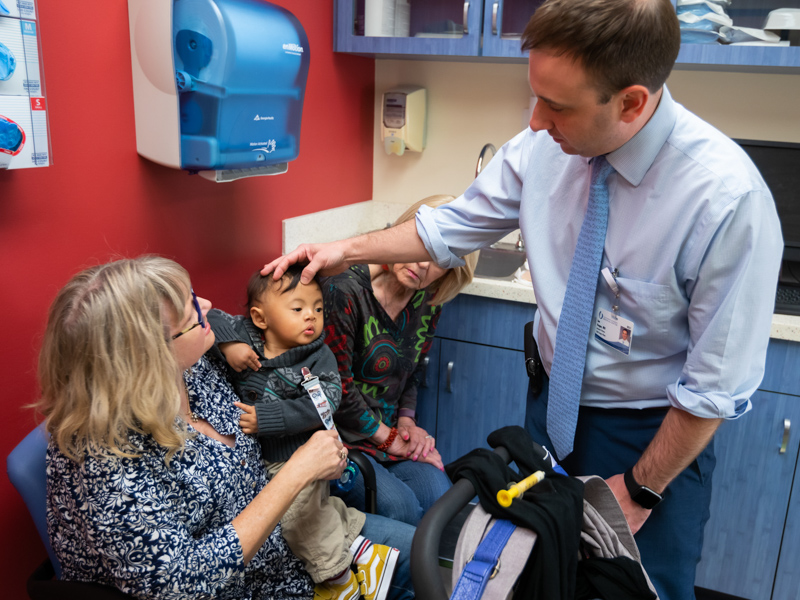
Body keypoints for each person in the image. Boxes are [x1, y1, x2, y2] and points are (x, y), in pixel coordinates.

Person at [262, 1, 784, 598]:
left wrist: (641, 488)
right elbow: (449, 226)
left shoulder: (724, 200)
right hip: (551, 411)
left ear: (632, 102)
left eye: (556, 105)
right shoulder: (544, 148)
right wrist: (345, 250)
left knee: (634, 586)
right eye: (534, 95)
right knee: (542, 573)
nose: (536, 121)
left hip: (647, 435)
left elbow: (713, 389)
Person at [36, 256, 415, 600]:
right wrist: (298, 472)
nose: (207, 307)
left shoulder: (198, 368)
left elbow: (248, 336)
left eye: (194, 296)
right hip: (253, 585)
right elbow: (181, 584)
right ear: (147, 361)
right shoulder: (103, 462)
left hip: (294, 541)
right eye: (192, 316)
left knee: (422, 554)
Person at [206, 265, 398, 600]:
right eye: (298, 309)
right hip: (257, 464)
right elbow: (211, 318)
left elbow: (326, 400)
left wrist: (268, 418)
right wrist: (229, 346)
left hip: (296, 458)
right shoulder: (249, 335)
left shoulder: (318, 355)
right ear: (260, 317)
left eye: (318, 308)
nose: (312, 317)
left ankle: (339, 582)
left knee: (297, 520)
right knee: (315, 513)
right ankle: (364, 552)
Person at [322, 196, 479, 526]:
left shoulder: (428, 298)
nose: (422, 264)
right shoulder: (344, 290)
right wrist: (392, 440)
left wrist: (407, 422)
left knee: (440, 497)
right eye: (421, 245)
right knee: (402, 508)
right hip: (339, 439)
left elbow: (411, 373)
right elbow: (336, 391)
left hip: (390, 435)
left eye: (438, 258)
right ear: (404, 232)